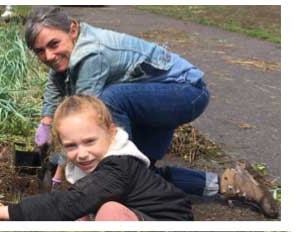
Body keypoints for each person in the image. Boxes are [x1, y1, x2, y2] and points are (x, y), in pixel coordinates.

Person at [23, 6, 276, 218]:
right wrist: (46, 120)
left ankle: (113, 188)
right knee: (144, 178)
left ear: (73, 30)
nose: (49, 55)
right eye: (40, 51)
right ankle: (230, 184)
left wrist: (59, 173)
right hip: (152, 98)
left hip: (184, 92)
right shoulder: (67, 52)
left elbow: (83, 113)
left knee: (110, 105)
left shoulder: (91, 54)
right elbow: (55, 81)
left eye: (53, 45)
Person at [0, 95, 192, 221]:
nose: (81, 153)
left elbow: (70, 202)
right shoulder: (98, 165)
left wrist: (0, 212)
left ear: (111, 132)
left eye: (90, 141)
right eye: (71, 146)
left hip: (167, 221)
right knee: (82, 214)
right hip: (140, 214)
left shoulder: (118, 166)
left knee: (106, 211)